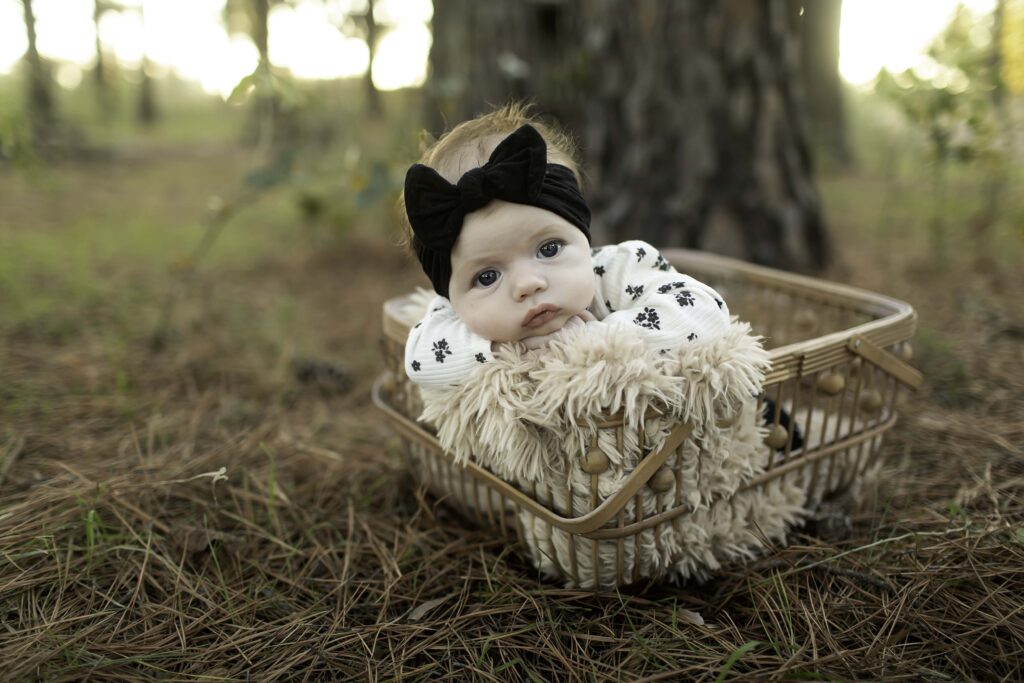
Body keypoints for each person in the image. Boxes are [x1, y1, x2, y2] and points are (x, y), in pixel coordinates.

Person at [401, 104, 731, 390]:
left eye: (548, 249)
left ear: (581, 234)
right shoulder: (455, 316)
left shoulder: (616, 270)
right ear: (451, 295)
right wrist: (501, 351)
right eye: (487, 277)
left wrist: (596, 338)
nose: (528, 284)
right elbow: (418, 361)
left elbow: (706, 312)